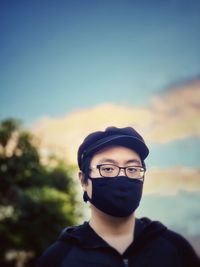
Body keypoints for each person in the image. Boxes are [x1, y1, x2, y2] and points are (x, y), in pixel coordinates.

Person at [36, 126, 200, 267]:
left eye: (132, 169)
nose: (122, 177)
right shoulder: (58, 259)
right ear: (84, 180)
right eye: (107, 168)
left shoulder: (176, 250)